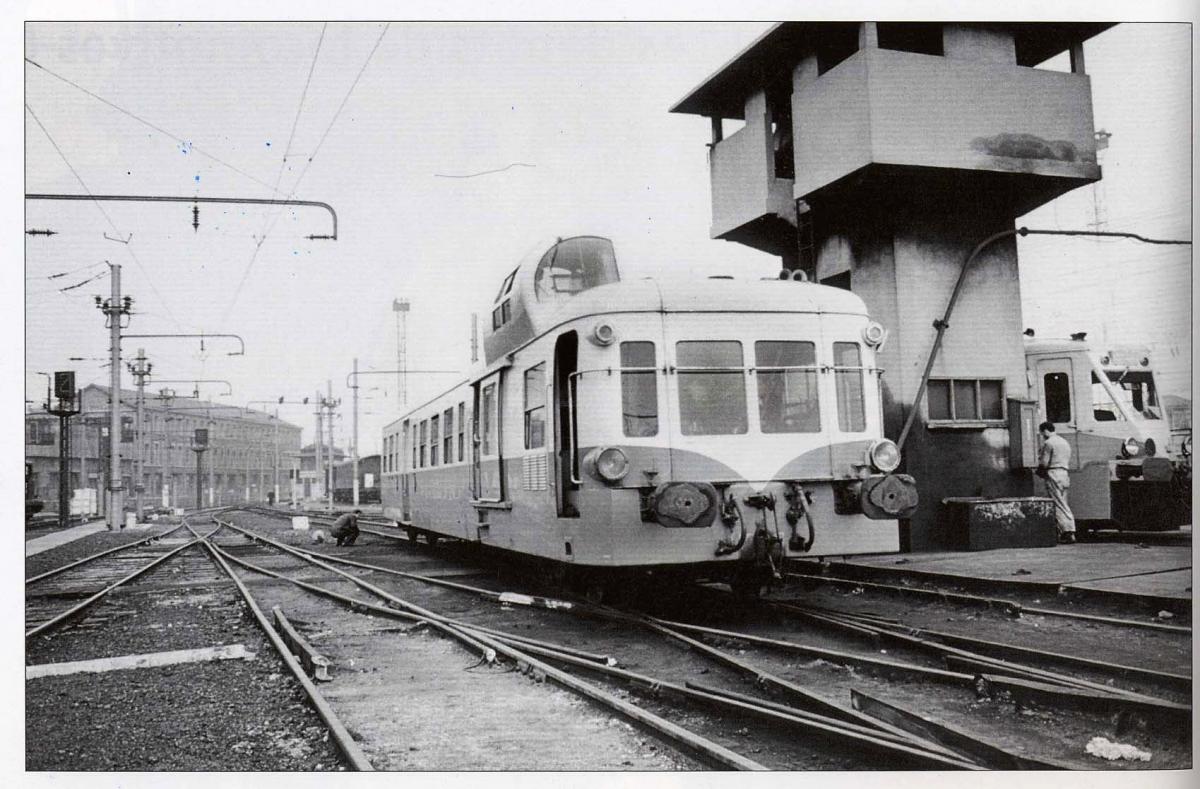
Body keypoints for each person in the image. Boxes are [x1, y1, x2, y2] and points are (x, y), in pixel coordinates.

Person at [1037, 422, 1075, 544]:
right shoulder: (1064, 442)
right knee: (1064, 502)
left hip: (1053, 473)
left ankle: (1067, 532)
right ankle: (1068, 530)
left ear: (1045, 431)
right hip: (1064, 474)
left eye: (1041, 432)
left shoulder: (1049, 443)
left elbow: (1044, 462)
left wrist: (1039, 471)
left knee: (1057, 504)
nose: (1042, 435)